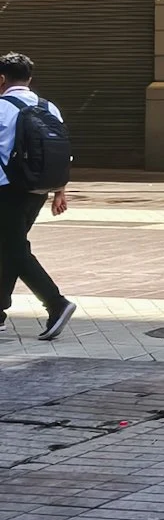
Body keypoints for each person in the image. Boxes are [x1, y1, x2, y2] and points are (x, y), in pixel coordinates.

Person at [0, 53, 74, 342]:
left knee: (15, 249)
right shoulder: (48, 107)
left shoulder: (2, 108)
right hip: (38, 190)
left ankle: (56, 303)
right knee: (9, 246)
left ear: (2, 79)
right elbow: (60, 150)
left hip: (7, 189)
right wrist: (60, 189)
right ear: (29, 78)